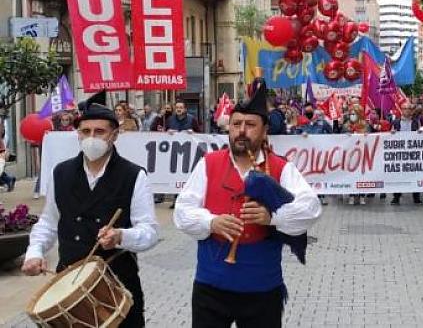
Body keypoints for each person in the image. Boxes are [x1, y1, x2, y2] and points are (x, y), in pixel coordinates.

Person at [174, 80, 321, 327]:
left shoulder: (280, 167)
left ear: (264, 131)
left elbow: (311, 208)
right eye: (236, 124)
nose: (242, 130)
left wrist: (272, 217)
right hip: (211, 287)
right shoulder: (208, 164)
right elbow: (182, 211)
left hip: (262, 289)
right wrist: (212, 222)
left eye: (250, 125)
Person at [21, 90, 159, 327]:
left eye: (99, 132)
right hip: (68, 283)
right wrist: (35, 253)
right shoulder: (61, 172)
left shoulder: (133, 175)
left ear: (114, 135)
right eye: (85, 131)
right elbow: (49, 221)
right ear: (78, 134)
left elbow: (150, 232)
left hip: (116, 283)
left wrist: (120, 236)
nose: (91, 137)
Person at [391, 103, 423, 205]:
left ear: (412, 111)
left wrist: (421, 133)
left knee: (414, 175)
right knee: (398, 176)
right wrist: (391, 133)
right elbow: (390, 136)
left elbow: (421, 134)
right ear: (401, 110)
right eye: (405, 108)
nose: (407, 111)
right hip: (399, 154)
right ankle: (396, 197)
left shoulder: (416, 122)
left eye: (409, 109)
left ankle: (416, 197)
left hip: (412, 153)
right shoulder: (396, 122)